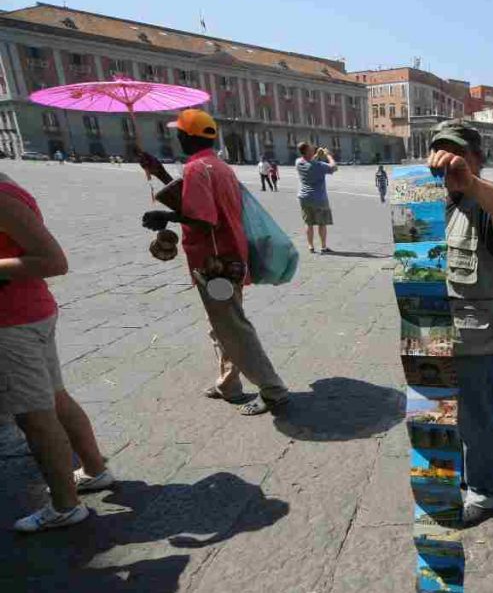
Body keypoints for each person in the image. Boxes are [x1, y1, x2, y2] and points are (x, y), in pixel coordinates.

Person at [138, 109, 289, 416]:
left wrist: (164, 216)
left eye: (179, 132)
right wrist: (160, 173)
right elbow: (195, 201)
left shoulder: (197, 169)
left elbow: (202, 218)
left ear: (186, 136)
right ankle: (229, 385)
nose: (177, 136)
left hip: (215, 263)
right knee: (222, 325)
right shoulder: (217, 165)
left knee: (232, 327)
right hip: (230, 256)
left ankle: (273, 389)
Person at [1, 171, 115, 533]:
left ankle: (66, 506)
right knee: (54, 397)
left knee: (33, 417)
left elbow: (53, 261)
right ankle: (95, 470)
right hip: (28, 313)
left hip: (13, 321)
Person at [427, 120, 493, 527]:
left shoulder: (486, 204)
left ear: (478, 159)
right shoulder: (426, 200)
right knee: (441, 415)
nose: (448, 161)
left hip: (474, 336)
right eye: (440, 151)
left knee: (478, 419)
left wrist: (470, 183)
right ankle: (456, 477)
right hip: (431, 329)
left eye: (459, 153)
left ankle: (484, 491)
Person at [295, 142, 337, 254]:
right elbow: (333, 167)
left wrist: (317, 155)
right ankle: (323, 247)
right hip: (318, 198)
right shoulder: (319, 165)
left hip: (304, 197)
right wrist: (328, 155)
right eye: (311, 148)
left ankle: (310, 246)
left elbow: (309, 161)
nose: (313, 148)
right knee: (321, 223)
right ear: (308, 151)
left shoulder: (298, 162)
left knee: (308, 223)